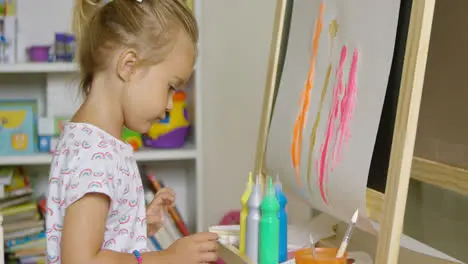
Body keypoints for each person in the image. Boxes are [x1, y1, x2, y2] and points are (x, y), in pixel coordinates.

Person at [46, 0, 219, 263]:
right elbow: (81, 260)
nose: (171, 105)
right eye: (171, 87)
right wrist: (166, 258)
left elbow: (102, 239)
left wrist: (136, 222)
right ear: (128, 66)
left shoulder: (95, 142)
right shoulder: (94, 153)